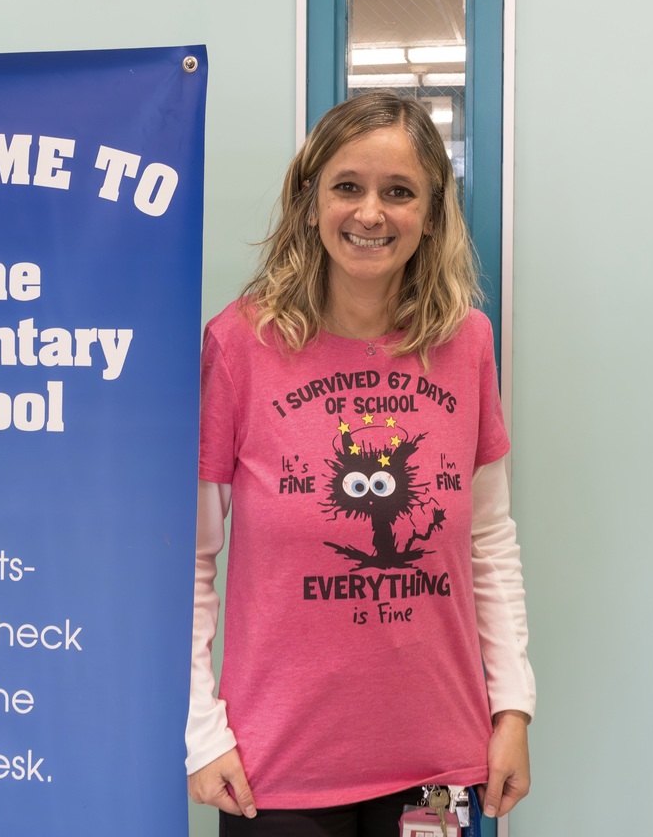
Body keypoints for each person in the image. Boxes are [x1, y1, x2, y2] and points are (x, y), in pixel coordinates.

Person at [186, 92, 534, 836]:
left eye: (399, 192)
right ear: (310, 200)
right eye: (348, 186)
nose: (370, 214)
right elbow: (192, 559)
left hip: (438, 763)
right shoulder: (240, 346)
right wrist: (200, 729)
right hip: (277, 769)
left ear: (433, 213)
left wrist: (512, 707)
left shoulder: (468, 343)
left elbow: (490, 543)